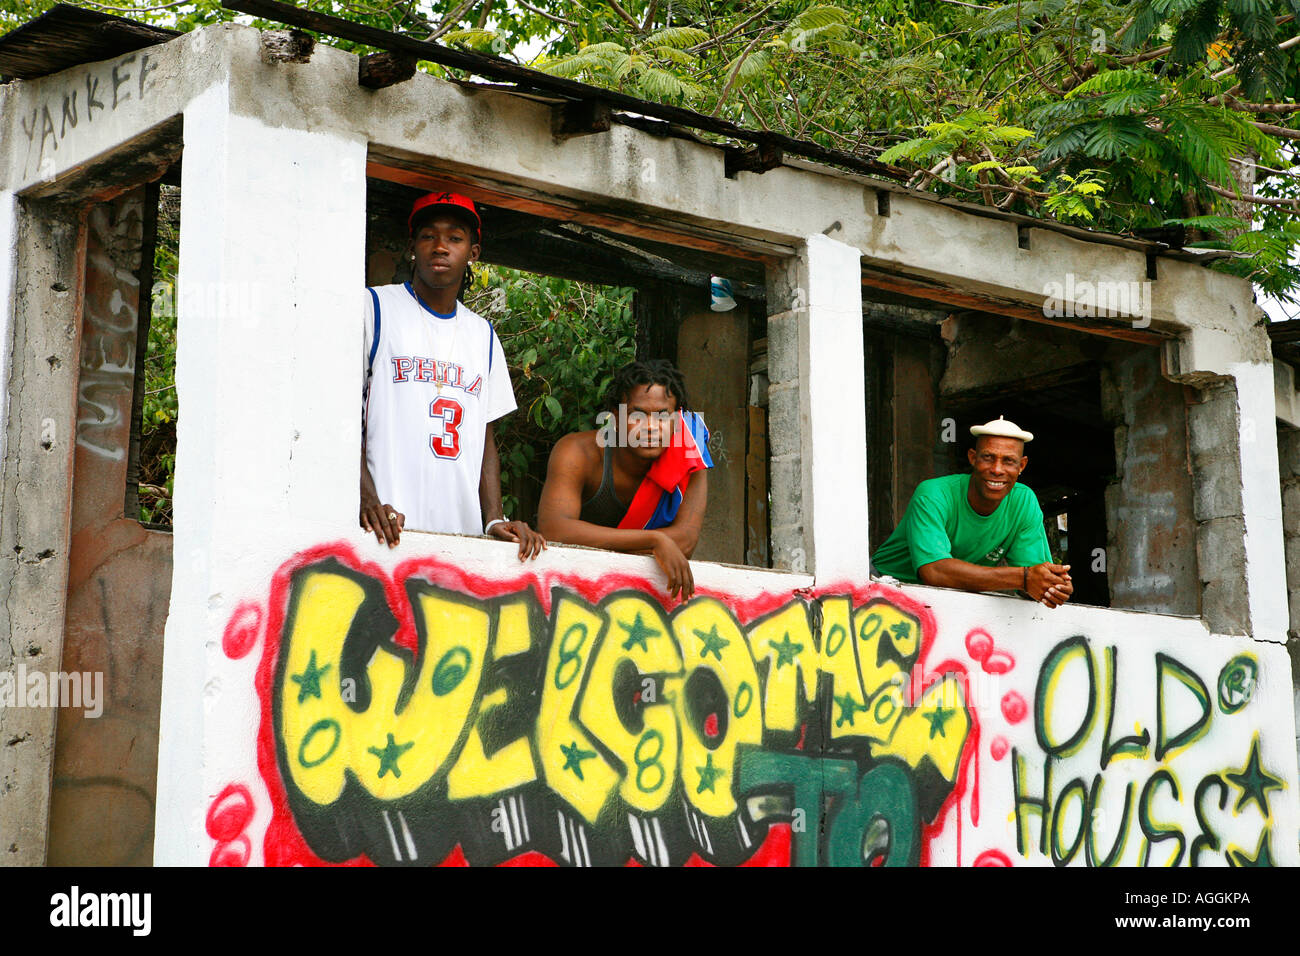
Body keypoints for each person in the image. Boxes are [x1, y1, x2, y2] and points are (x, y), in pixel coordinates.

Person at [360, 190, 545, 560]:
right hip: (384, 528)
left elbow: (484, 433)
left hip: (459, 540)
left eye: (455, 238)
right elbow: (337, 414)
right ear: (412, 247)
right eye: (429, 236)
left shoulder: (483, 335)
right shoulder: (374, 307)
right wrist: (366, 498)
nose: (440, 247)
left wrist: (493, 519)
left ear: (472, 253)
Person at [538, 360, 710, 599]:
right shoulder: (579, 453)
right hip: (566, 592)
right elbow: (554, 530)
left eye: (663, 416)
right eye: (637, 415)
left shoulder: (689, 460)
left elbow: (685, 542)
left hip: (639, 602)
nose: (651, 427)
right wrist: (655, 540)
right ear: (615, 417)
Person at [871, 416, 1073, 608]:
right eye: (988, 457)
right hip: (880, 586)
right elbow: (934, 572)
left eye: (1008, 461)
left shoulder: (1024, 501)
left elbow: (1035, 578)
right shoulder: (933, 494)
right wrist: (1024, 578)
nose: (997, 469)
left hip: (948, 597)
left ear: (1022, 465)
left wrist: (1053, 585)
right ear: (972, 458)